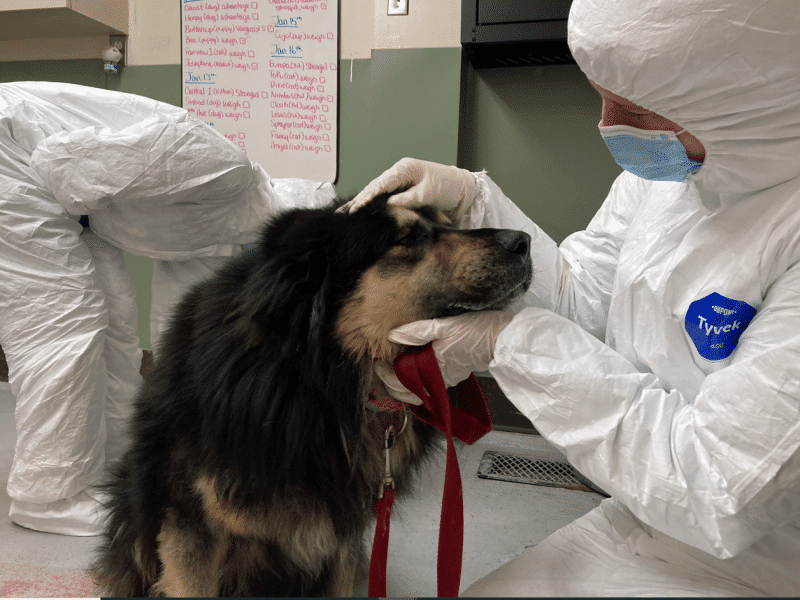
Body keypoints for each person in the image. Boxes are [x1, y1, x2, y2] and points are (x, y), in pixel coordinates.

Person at [342, 0, 800, 595]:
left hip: (761, 560)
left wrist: (509, 341)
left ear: (742, 101)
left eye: (637, 108)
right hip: (642, 513)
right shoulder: (666, 181)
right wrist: (476, 203)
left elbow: (718, 491)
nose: (608, 123)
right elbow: (583, 299)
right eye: (601, 95)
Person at [0, 82, 334, 535]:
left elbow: (176, 332)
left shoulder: (223, 239)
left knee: (115, 323)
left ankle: (112, 464)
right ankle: (49, 497)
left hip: (66, 203)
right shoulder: (226, 174)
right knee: (62, 328)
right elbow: (66, 163)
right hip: (14, 163)